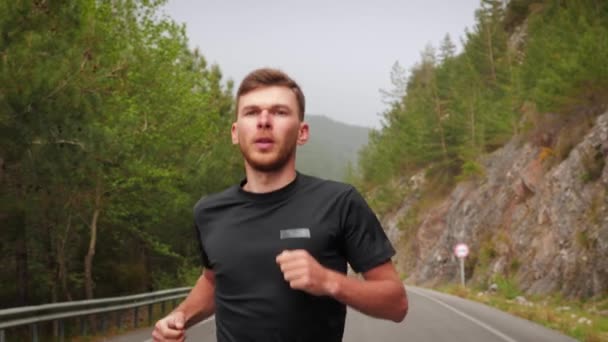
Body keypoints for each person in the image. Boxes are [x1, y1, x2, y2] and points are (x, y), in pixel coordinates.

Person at [152, 68, 408, 342]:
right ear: (235, 132)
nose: (264, 121)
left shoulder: (339, 202)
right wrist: (180, 316)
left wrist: (329, 281)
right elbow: (215, 281)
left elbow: (396, 303)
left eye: (279, 112)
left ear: (302, 132)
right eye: (251, 112)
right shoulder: (209, 211)